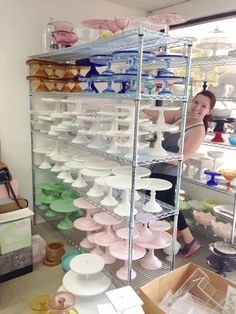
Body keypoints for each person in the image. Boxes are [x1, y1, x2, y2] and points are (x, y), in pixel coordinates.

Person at [143, 90, 216, 257]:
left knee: (161, 203)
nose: (197, 108)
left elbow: (179, 159)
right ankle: (168, 235)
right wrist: (140, 102)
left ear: (209, 111)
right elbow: (157, 116)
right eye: (195, 102)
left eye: (203, 106)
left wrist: (155, 152)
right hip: (158, 167)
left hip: (169, 172)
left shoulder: (198, 130)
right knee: (160, 202)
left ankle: (187, 240)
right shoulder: (181, 115)